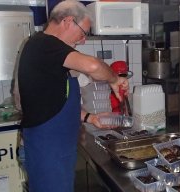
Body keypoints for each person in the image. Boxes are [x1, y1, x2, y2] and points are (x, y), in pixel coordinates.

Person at [17, 0, 129, 192]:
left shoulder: (49, 53)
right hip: (47, 152)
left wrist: (90, 118)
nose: (83, 40)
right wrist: (114, 80)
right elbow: (93, 66)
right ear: (68, 21)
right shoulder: (44, 44)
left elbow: (54, 101)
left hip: (56, 150)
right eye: (83, 32)